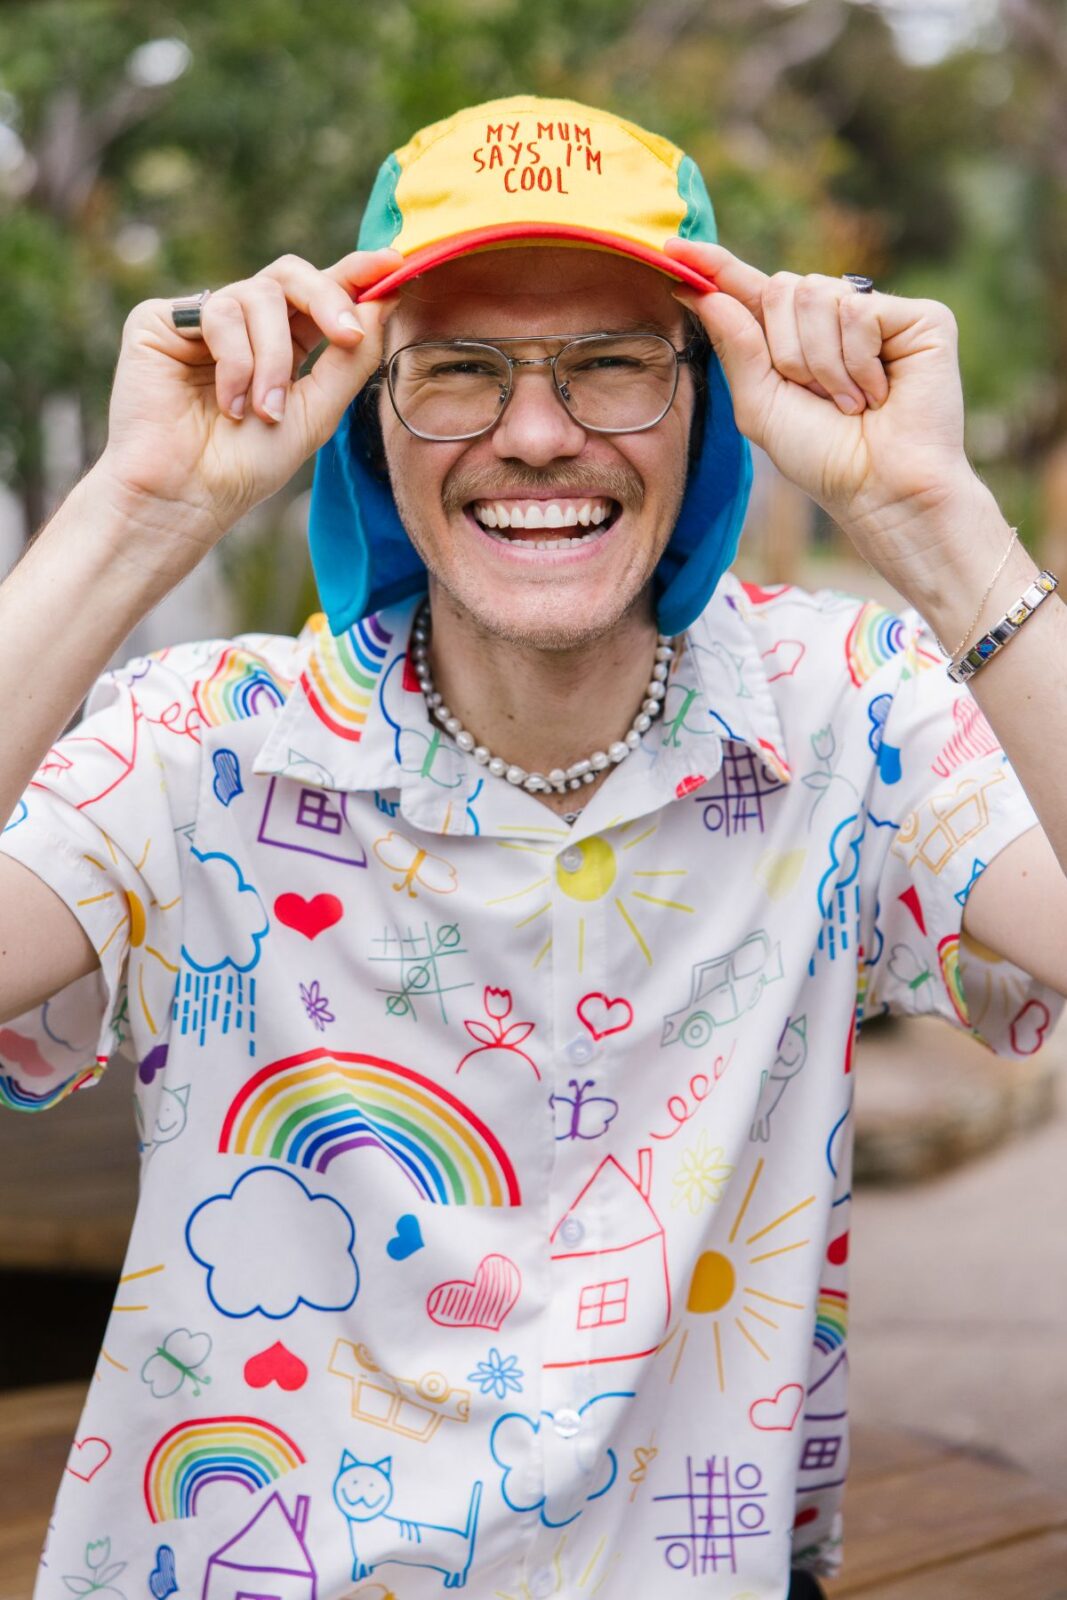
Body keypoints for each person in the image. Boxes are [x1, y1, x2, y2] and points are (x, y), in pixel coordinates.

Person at [1, 93, 1064, 1600]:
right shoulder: (198, 746)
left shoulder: (850, 717)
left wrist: (934, 516)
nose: (541, 433)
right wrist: (133, 514)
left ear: (707, 402)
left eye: (614, 361)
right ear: (370, 414)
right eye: (460, 370)